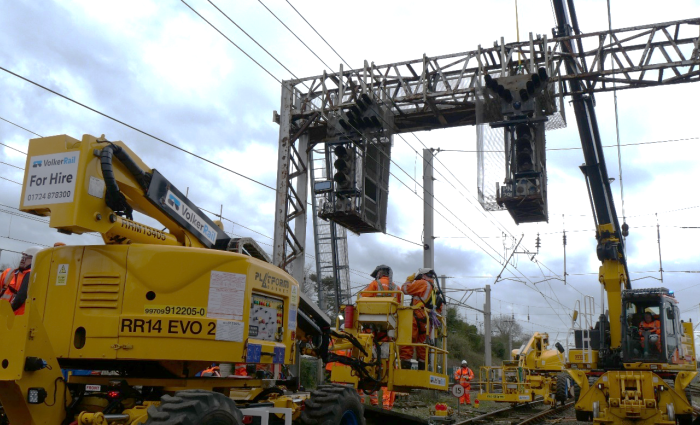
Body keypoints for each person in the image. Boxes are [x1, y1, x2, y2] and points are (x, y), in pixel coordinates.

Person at [399, 268, 438, 370]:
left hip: (416, 315)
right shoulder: (434, 288)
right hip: (427, 319)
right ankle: (423, 368)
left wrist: (409, 280)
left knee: (408, 340)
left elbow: (404, 289)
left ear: (423, 275)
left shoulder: (422, 283)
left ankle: (405, 366)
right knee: (423, 345)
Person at [0, 246, 42, 316]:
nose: (23, 259)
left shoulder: (35, 278)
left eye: (28, 257)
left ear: (36, 260)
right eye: (23, 256)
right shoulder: (8, 273)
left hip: (19, 321)